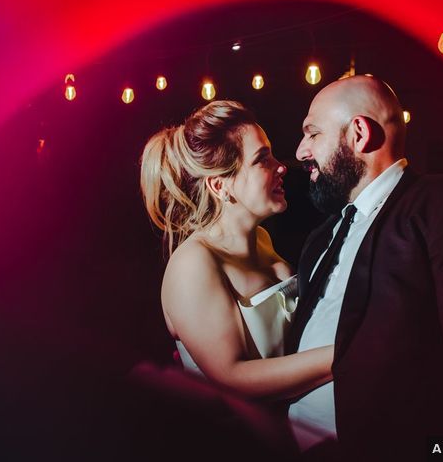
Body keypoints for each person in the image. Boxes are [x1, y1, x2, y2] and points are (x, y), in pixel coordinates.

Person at [287, 75, 443, 459]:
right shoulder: (322, 235)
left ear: (358, 133)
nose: (302, 151)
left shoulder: (441, 205)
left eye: (313, 133)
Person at [139, 100, 334, 401]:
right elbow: (232, 377)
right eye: (261, 159)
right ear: (220, 186)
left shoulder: (262, 239)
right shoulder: (194, 263)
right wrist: (344, 354)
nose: (281, 166)